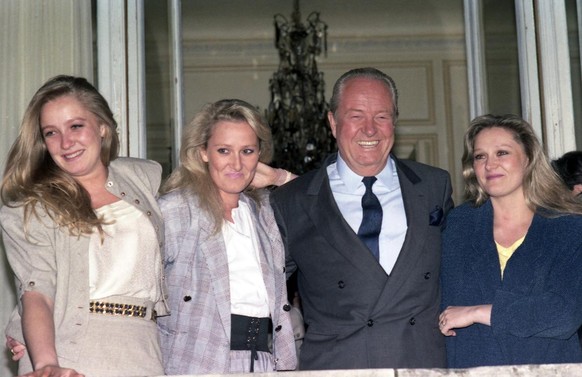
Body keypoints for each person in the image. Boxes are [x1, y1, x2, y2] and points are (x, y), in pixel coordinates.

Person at [269, 67, 454, 370]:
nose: (370, 130)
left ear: (394, 122)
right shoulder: (292, 201)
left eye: (381, 116)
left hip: (421, 363)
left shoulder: (434, 185)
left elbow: (460, 267)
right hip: (338, 367)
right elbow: (264, 288)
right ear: (332, 122)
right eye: (356, 116)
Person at [0, 75, 169, 377]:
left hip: (144, 348)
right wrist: (46, 363)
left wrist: (274, 182)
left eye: (76, 126)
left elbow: (203, 199)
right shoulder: (30, 208)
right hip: (71, 349)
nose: (65, 143)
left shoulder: (143, 177)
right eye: (51, 132)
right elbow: (36, 291)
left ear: (102, 126)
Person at [156, 99, 297, 374]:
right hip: (196, 363)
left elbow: (324, 212)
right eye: (224, 150)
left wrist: (280, 177)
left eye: (247, 151)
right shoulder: (176, 210)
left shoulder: (265, 213)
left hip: (264, 363)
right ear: (203, 153)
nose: (236, 163)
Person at [439, 114, 582, 367]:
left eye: (502, 153)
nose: (489, 165)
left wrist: (477, 312)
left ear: (528, 160)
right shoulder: (459, 225)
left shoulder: (569, 227)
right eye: (480, 156)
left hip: (548, 370)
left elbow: (563, 314)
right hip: (472, 368)